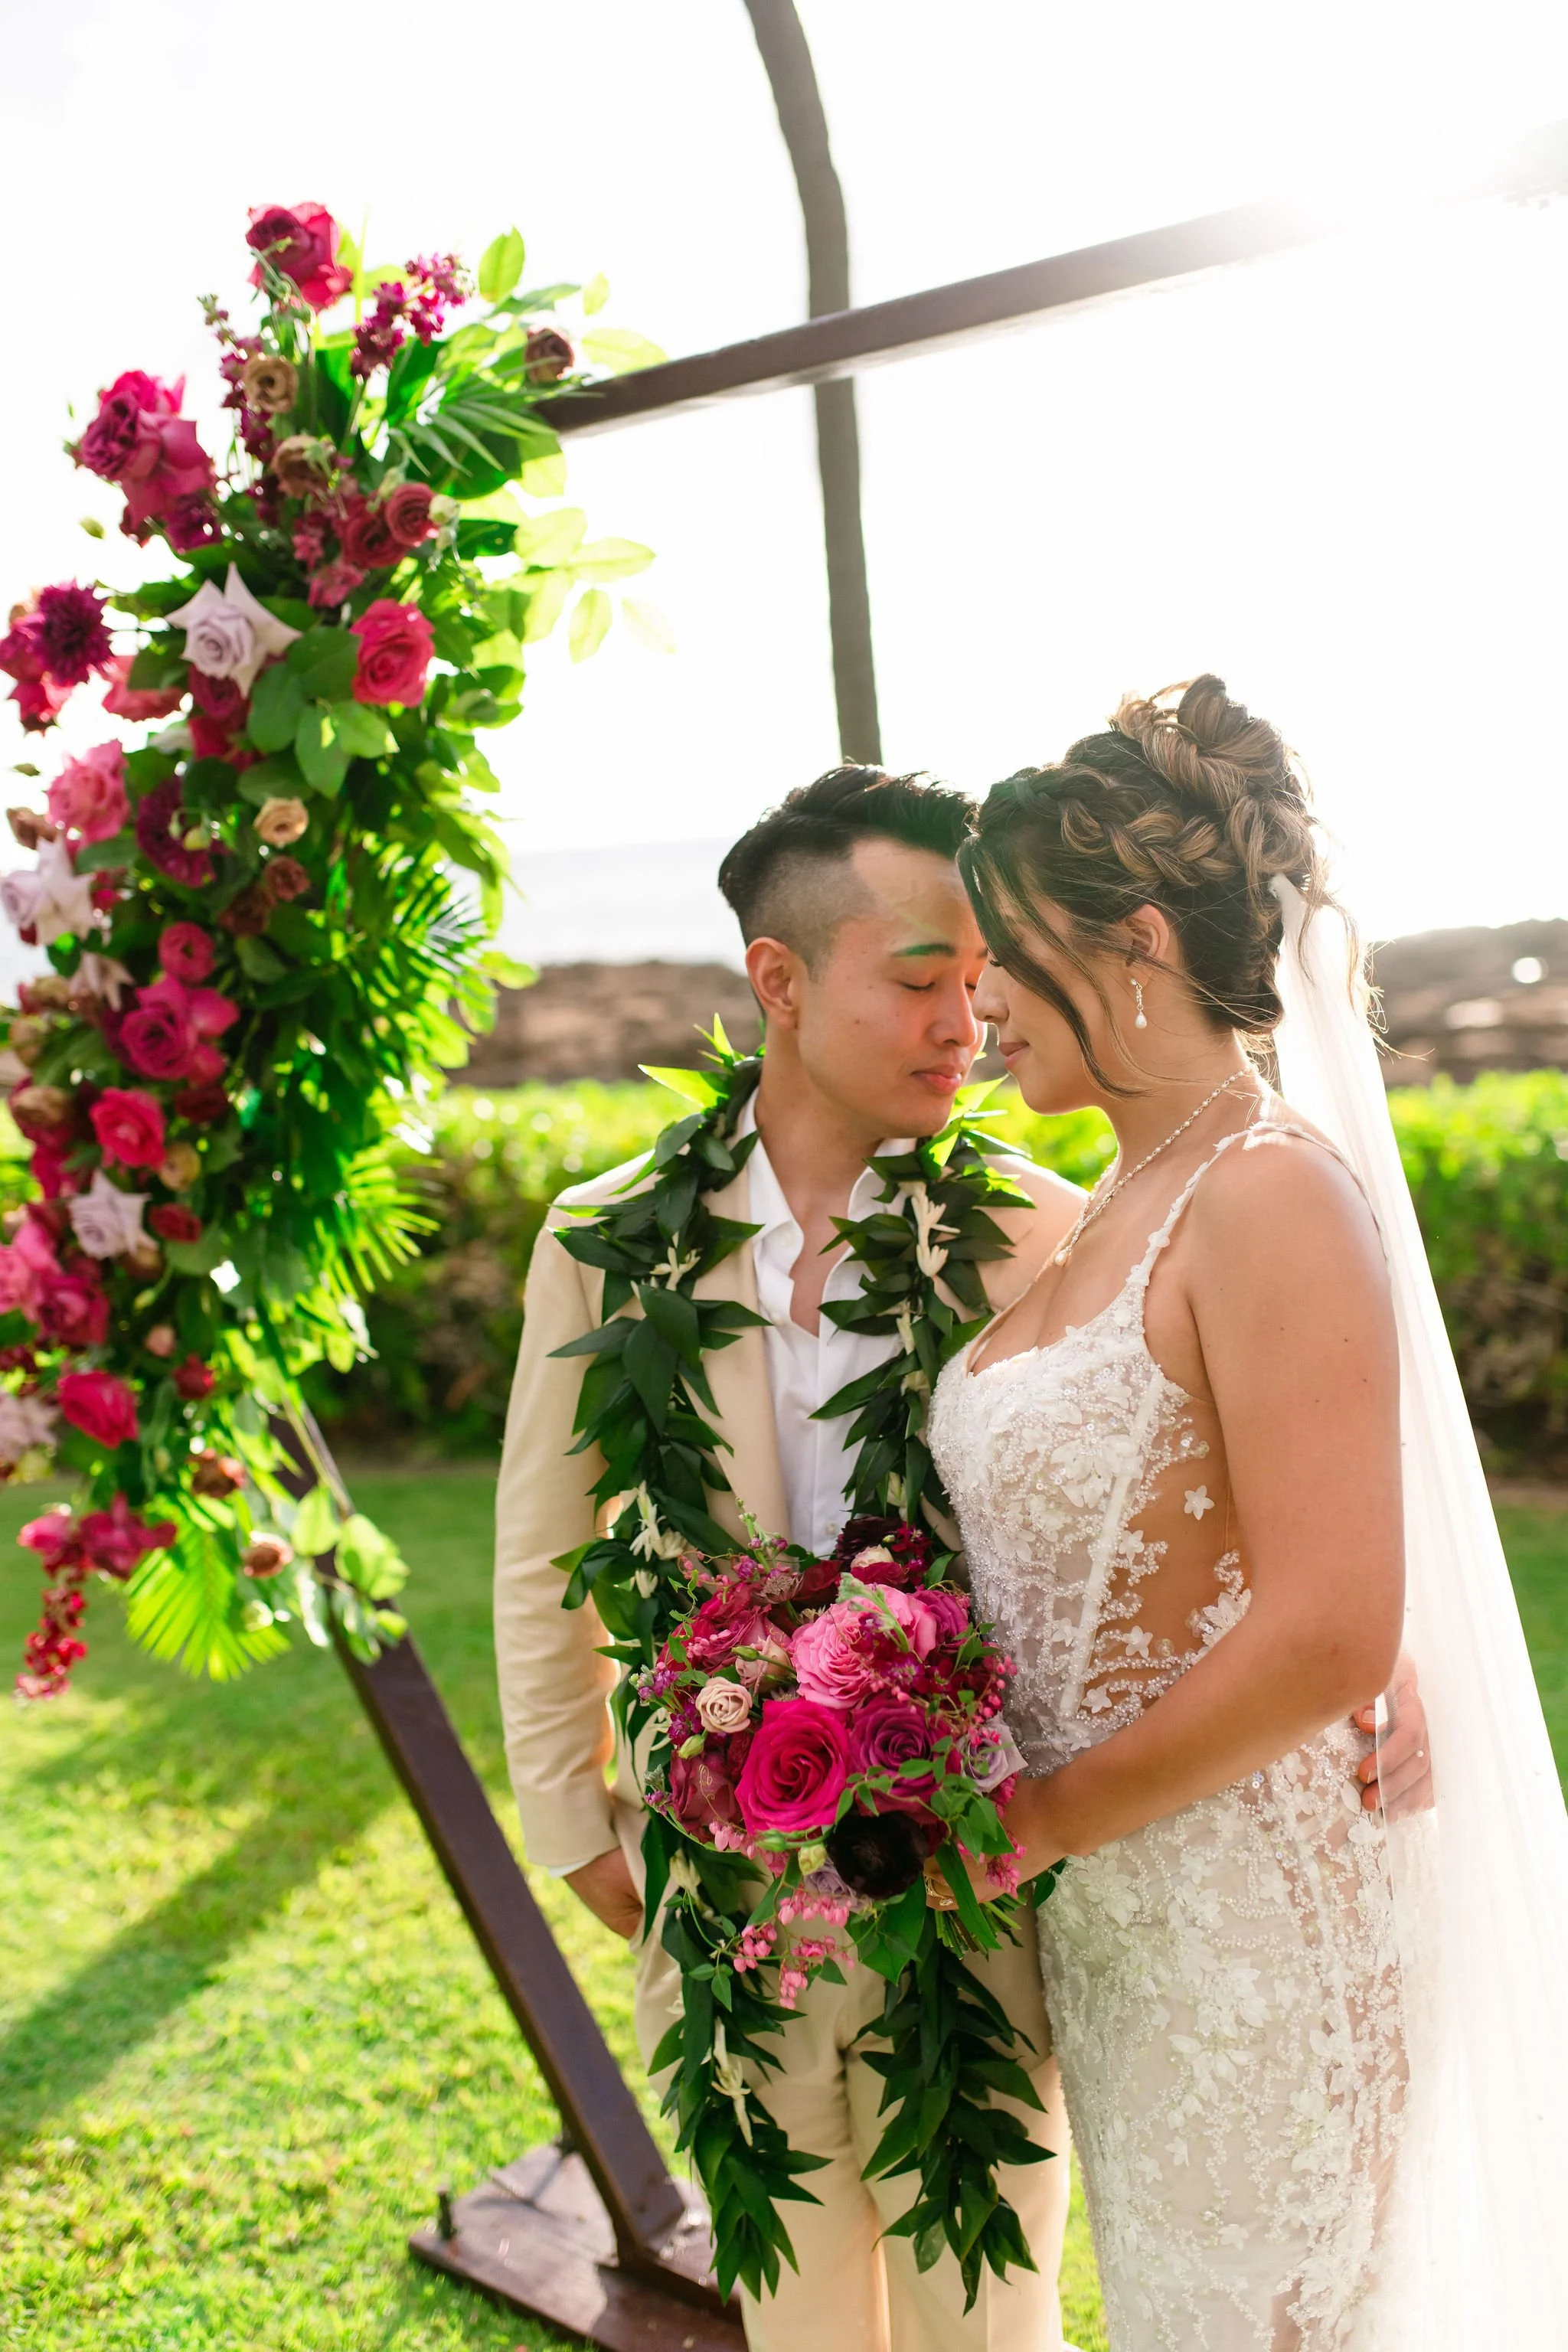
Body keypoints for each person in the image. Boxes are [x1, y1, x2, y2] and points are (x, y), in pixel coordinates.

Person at [494, 761, 1430, 2352]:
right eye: (925, 976)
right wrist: (578, 1818)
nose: (967, 1017)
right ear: (779, 984)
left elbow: (1195, 1440)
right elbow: (538, 1546)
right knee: (785, 2295)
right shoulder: (606, 1242)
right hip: (725, 1877)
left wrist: (1379, 1646)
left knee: (984, 2303)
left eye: (984, 974)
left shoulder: (1049, 1224)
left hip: (973, 1865)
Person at [929, 675, 1566, 2351]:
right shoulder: (1096, 1207)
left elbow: (1333, 1624)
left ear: (1132, 943)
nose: (975, 995)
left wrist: (1043, 1818)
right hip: (1132, 1940)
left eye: (1000, 945)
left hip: (1257, 1932)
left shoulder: (1267, 1194)